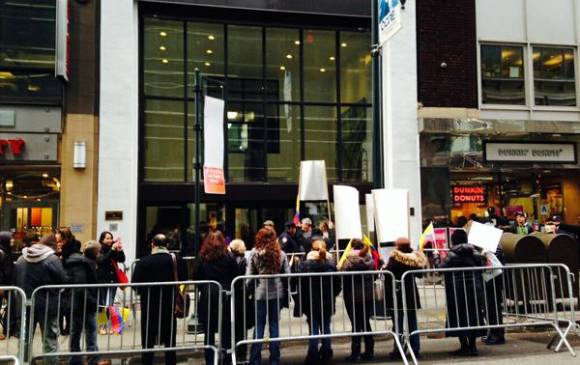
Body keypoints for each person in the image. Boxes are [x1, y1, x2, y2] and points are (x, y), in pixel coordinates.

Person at [13, 233, 68, 365]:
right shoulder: (52, 259)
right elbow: (63, 279)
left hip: (25, 303)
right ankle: (50, 362)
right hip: (48, 304)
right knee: (50, 339)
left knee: (25, 337)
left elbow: (15, 280)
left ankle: (24, 361)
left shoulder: (21, 258)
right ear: (52, 246)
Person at [132, 234, 187, 365]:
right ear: (167, 245)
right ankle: (170, 361)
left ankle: (147, 361)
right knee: (169, 336)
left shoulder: (143, 262)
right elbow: (184, 279)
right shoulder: (177, 260)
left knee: (148, 336)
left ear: (152, 244)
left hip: (149, 303)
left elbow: (135, 284)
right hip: (170, 303)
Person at [433, 229, 486, 356]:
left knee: (459, 316)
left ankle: (464, 346)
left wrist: (435, 257)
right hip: (474, 289)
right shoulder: (475, 252)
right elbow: (483, 265)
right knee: (473, 315)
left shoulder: (451, 255)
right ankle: (473, 346)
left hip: (456, 291)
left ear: (454, 240)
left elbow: (440, 269)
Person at [193, 232, 238, 365]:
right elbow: (235, 275)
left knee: (209, 331)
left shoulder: (203, 257)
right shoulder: (228, 257)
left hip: (208, 296)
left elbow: (196, 276)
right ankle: (226, 358)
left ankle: (210, 360)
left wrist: (203, 287)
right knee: (225, 330)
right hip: (224, 295)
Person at [246, 228, 290, 365]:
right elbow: (288, 275)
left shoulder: (254, 253)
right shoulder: (280, 253)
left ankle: (255, 359)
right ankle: (275, 359)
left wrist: (249, 290)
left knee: (259, 326)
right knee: (274, 325)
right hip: (277, 292)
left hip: (260, 292)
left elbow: (248, 277)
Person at [297, 240, 341, 365]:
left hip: (311, 301)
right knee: (326, 326)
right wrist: (333, 294)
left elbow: (300, 284)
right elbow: (337, 284)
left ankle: (313, 353)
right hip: (327, 300)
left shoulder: (304, 265)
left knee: (313, 327)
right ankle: (327, 352)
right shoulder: (331, 264)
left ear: (311, 249)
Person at [385, 237, 427, 360]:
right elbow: (420, 274)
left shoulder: (395, 258)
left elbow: (388, 273)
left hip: (397, 294)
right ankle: (415, 349)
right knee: (412, 322)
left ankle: (398, 350)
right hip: (410, 294)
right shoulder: (414, 257)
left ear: (397, 246)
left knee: (398, 324)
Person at [65, 240, 101, 365]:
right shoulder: (83, 264)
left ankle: (77, 358)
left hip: (78, 303)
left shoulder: (82, 262)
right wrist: (91, 300)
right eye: (99, 252)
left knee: (77, 331)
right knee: (89, 331)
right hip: (82, 304)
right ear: (95, 253)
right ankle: (91, 359)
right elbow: (81, 286)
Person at [340, 239, 375, 362]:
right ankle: (370, 351)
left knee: (356, 324)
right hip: (368, 295)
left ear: (352, 247)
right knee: (366, 322)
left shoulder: (348, 260)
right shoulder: (369, 259)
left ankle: (356, 353)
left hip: (352, 295)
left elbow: (342, 274)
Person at [96, 231, 125, 335]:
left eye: (110, 238)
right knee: (102, 304)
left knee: (111, 304)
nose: (109, 240)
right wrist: (112, 249)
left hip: (113, 280)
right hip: (102, 280)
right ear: (102, 240)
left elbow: (122, 259)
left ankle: (113, 326)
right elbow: (102, 260)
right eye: (107, 238)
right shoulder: (98, 249)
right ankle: (101, 326)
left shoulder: (113, 248)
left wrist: (120, 250)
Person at [229, 239, 252, 363]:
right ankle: (241, 354)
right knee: (241, 329)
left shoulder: (231, 260)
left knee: (234, 327)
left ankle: (234, 353)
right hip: (242, 297)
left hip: (235, 297)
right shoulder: (244, 260)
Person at [56, 228, 81, 336]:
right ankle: (62, 328)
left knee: (68, 308)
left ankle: (68, 328)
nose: (58, 243)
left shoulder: (72, 251)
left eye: (60, 241)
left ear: (65, 239)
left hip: (70, 282)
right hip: (63, 282)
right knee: (62, 308)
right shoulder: (62, 251)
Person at [482, 241, 506, 346]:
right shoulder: (488, 245)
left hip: (492, 280)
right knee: (490, 308)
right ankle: (493, 333)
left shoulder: (493, 246)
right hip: (491, 279)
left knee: (493, 308)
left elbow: (497, 259)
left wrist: (484, 254)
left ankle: (497, 335)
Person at [0, 231, 14, 340]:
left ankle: (7, 329)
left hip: (7, 286)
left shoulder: (6, 252)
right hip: (3, 287)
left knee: (11, 306)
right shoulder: (2, 253)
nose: (13, 240)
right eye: (11, 238)